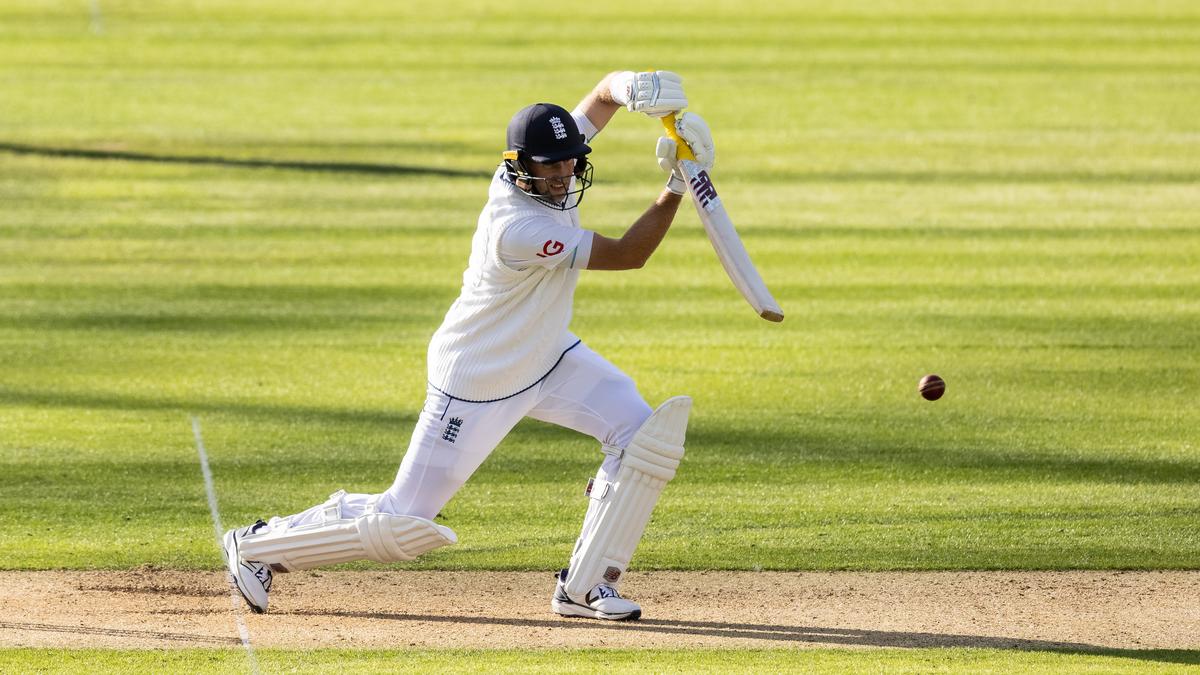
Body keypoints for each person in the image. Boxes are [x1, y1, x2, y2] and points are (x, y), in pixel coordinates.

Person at [222, 70, 715, 622]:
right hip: (480, 377)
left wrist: (630, 88)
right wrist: (675, 185)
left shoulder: (546, 164)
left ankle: (586, 585)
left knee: (640, 437)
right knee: (405, 517)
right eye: (549, 166)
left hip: (547, 354)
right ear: (519, 164)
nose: (562, 175)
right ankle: (258, 546)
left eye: (570, 161)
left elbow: (600, 99)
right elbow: (629, 254)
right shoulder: (520, 227)